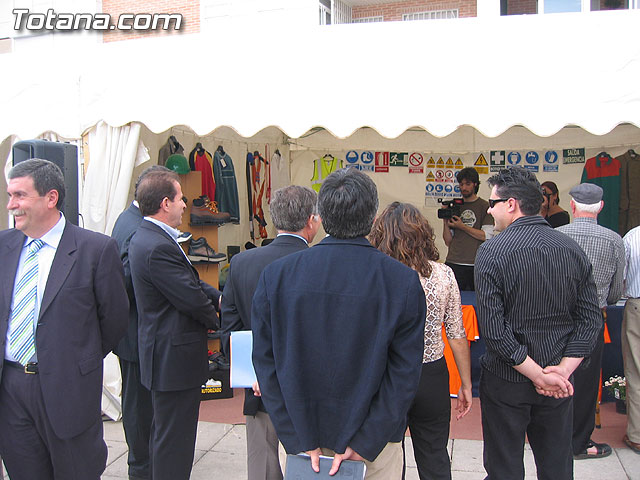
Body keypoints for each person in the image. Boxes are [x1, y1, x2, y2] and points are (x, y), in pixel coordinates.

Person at [252, 168, 426, 480]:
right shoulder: (401, 282)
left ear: (320, 216)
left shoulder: (278, 276)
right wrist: (367, 440)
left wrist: (295, 437)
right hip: (370, 449)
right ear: (373, 218)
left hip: (308, 445)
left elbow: (265, 363)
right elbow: (404, 373)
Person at [0, 158, 129, 480]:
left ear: (51, 198)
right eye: (9, 195)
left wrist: (75, 360)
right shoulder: (4, 246)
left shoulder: (95, 250)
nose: (10, 204)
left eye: (19, 195)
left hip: (68, 387)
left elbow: (113, 320)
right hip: (12, 387)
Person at [474, 166, 601, 480]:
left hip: (511, 381)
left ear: (512, 204)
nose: (489, 210)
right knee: (557, 467)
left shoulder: (491, 251)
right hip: (557, 381)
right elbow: (590, 320)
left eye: (492, 203)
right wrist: (560, 372)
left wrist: (543, 375)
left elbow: (493, 330)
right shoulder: (571, 249)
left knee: (504, 470)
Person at [220, 185, 321, 480]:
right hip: (308, 388)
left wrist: (255, 374)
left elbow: (230, 330)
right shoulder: (319, 265)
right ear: (312, 220)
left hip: (256, 384)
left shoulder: (241, 263)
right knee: (310, 468)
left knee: (262, 468)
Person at [128, 169, 220, 480]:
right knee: (174, 445)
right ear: (165, 203)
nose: (185, 205)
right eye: (181, 199)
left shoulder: (155, 238)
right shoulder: (156, 245)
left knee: (168, 439)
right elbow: (190, 299)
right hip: (172, 361)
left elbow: (191, 283)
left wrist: (219, 298)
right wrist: (219, 317)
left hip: (168, 358)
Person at [369, 202, 472, 480]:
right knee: (434, 455)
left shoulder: (376, 274)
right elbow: (456, 333)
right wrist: (466, 383)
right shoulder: (443, 274)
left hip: (387, 374)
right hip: (432, 374)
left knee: (388, 455)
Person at [111, 165, 171, 480]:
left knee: (141, 405)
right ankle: (141, 467)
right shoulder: (135, 228)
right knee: (138, 407)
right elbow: (126, 279)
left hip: (136, 332)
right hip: (136, 334)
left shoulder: (130, 218)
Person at [557, 182, 625, 459]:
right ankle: (578, 442)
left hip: (558, 317)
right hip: (592, 317)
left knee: (556, 375)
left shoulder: (557, 235)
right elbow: (617, 291)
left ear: (572, 206)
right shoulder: (614, 240)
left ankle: (552, 435)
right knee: (585, 383)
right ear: (601, 207)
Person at [442, 167, 493, 291]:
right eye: (461, 184)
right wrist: (445, 219)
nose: (464, 188)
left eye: (468, 184)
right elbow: (448, 241)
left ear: (475, 184)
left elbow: (486, 236)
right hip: (453, 262)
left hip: (475, 264)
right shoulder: (455, 206)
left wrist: (462, 227)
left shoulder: (484, 206)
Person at [622, 225, 640, 454]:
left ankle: (637, 435)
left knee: (636, 372)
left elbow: (622, 276)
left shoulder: (634, 236)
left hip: (637, 305)